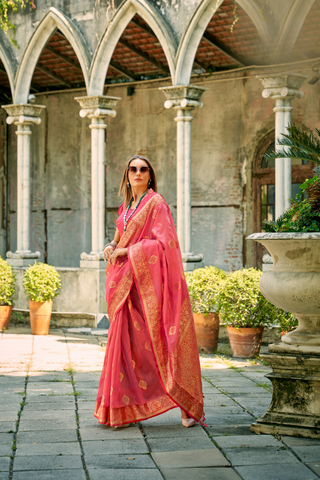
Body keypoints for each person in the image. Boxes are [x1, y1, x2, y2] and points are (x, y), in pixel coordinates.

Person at [95, 155, 204, 428]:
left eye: (143, 169)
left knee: (161, 343)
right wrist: (111, 246)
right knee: (128, 348)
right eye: (133, 169)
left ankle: (186, 405)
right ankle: (125, 409)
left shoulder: (157, 203)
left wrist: (128, 251)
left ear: (150, 175)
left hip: (147, 289)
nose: (138, 173)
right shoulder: (126, 206)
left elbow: (165, 244)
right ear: (127, 174)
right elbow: (120, 237)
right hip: (125, 289)